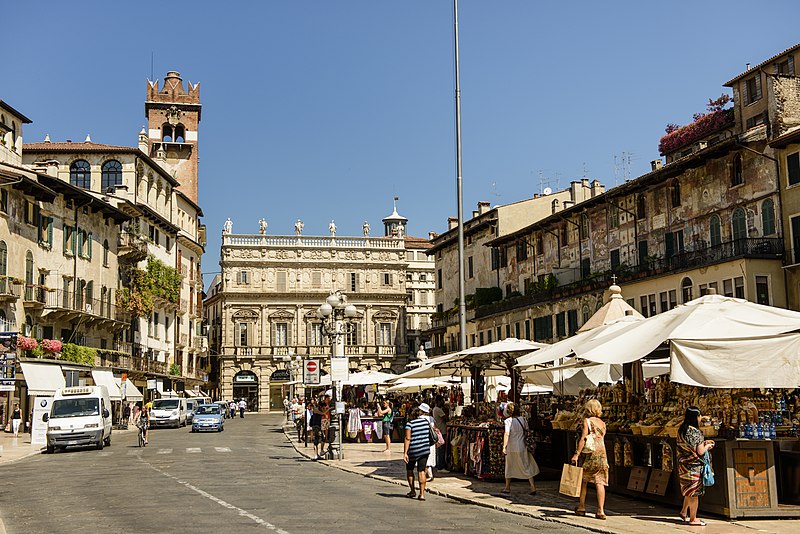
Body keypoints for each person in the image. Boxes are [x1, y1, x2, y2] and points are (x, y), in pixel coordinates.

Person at [677, 406, 715, 527]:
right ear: (696, 417)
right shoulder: (695, 432)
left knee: (689, 490)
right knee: (694, 494)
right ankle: (693, 519)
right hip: (694, 466)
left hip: (683, 465)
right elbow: (700, 451)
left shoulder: (681, 430)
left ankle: (683, 512)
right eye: (699, 416)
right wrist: (708, 446)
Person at [571, 399, 609, 520]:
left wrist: (577, 454)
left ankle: (581, 507)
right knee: (600, 481)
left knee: (584, 480)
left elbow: (583, 438)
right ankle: (601, 510)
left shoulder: (587, 421)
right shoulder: (603, 423)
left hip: (590, 453)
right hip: (602, 453)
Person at [501, 402, 539, 494]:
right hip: (522, 446)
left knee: (509, 466)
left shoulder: (508, 421)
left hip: (511, 447)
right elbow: (527, 430)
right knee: (526, 465)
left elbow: (507, 434)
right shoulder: (523, 419)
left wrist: (504, 447)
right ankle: (533, 487)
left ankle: (507, 487)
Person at [403, 405, 432, 501]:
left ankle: (412, 491)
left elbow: (407, 438)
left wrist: (405, 453)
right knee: (421, 471)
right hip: (425, 449)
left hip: (413, 450)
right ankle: (422, 494)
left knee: (410, 469)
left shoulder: (409, 424)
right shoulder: (425, 422)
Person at [420, 402, 437, 481]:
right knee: (429, 457)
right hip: (431, 440)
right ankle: (429, 475)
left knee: (424, 457)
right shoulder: (431, 418)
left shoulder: (420, 418)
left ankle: (425, 475)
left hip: (423, 439)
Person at [432, 397, 448, 469]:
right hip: (441, 431)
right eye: (442, 401)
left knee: (439, 450)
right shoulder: (438, 410)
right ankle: (441, 466)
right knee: (441, 449)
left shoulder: (435, 409)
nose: (443, 402)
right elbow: (446, 418)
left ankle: (438, 464)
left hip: (439, 430)